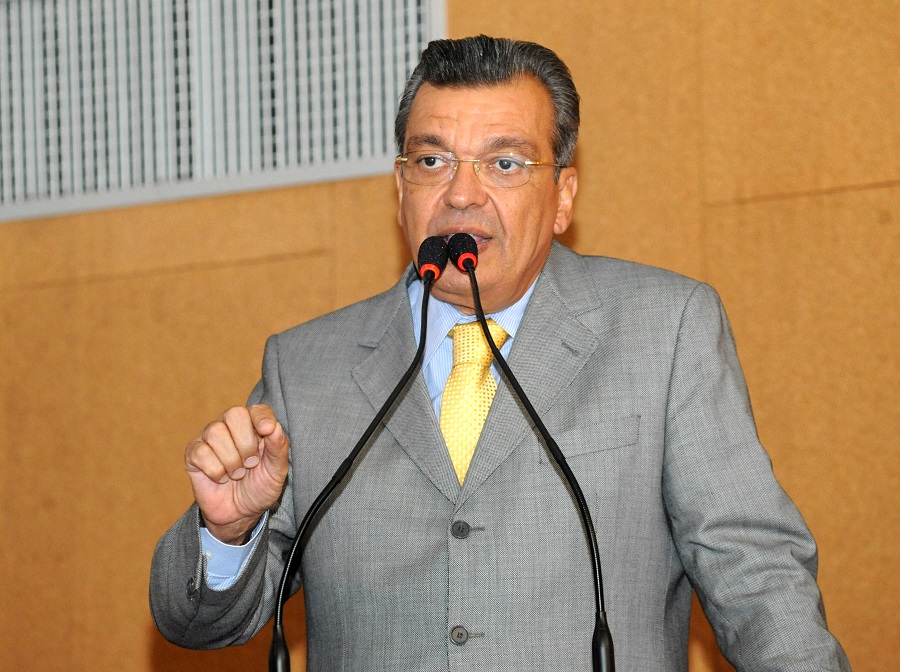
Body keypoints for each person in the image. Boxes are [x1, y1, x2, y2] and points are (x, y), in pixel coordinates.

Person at [150, 35, 850, 671]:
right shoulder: (306, 369)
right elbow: (200, 624)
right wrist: (228, 531)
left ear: (563, 196)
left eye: (504, 163)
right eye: (432, 161)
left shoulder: (663, 330)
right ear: (400, 188)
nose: (461, 193)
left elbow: (756, 577)